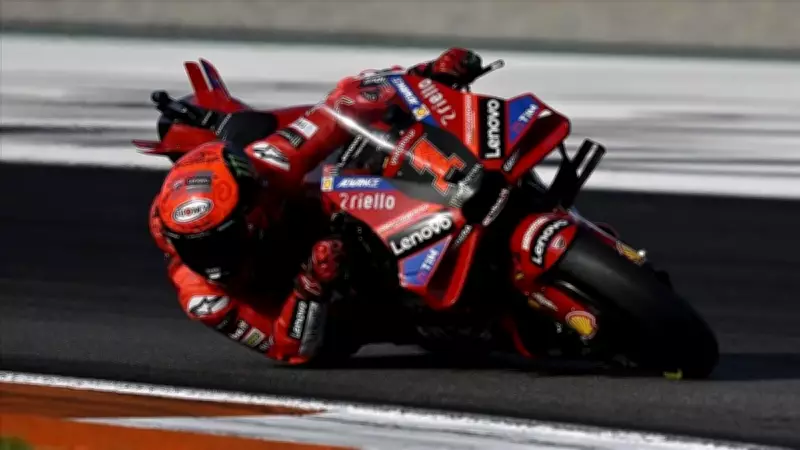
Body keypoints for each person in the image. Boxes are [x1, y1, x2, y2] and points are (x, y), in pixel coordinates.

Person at [148, 48, 488, 365]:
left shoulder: (271, 161)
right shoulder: (203, 297)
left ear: (251, 207)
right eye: (197, 248)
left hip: (339, 218)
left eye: (222, 241)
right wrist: (310, 285)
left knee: (376, 134)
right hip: (330, 308)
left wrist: (428, 75)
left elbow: (340, 105)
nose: (214, 260)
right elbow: (285, 348)